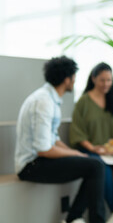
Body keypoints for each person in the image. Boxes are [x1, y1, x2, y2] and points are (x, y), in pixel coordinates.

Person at [15, 56, 106, 223]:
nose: (75, 81)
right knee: (96, 166)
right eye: (74, 77)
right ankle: (82, 219)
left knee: (94, 164)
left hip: (38, 161)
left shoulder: (49, 98)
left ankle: (73, 218)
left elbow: (53, 138)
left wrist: (76, 153)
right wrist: (76, 155)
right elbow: (44, 149)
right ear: (67, 79)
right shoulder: (44, 101)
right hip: (31, 166)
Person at [69, 63, 113, 223]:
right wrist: (94, 148)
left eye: (109, 80)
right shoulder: (83, 102)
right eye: (102, 80)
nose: (106, 84)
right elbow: (77, 131)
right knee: (102, 169)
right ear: (93, 79)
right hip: (93, 151)